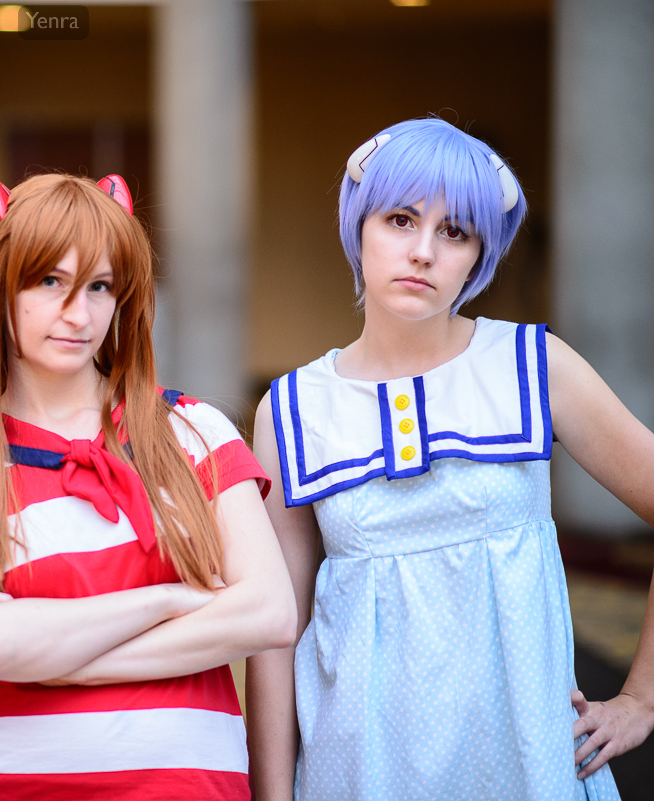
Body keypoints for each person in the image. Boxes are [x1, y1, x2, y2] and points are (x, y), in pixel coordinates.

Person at [245, 118, 654, 801]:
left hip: (526, 769)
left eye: (455, 231)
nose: (424, 251)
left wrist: (642, 697)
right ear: (359, 225)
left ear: (479, 253)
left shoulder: (534, 366)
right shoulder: (292, 409)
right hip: (354, 774)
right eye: (401, 219)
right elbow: (273, 630)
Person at [0, 172, 297, 801]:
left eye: (99, 286)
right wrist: (170, 600)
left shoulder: (193, 430)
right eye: (50, 281)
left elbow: (271, 613)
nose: (78, 314)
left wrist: (48, 653)